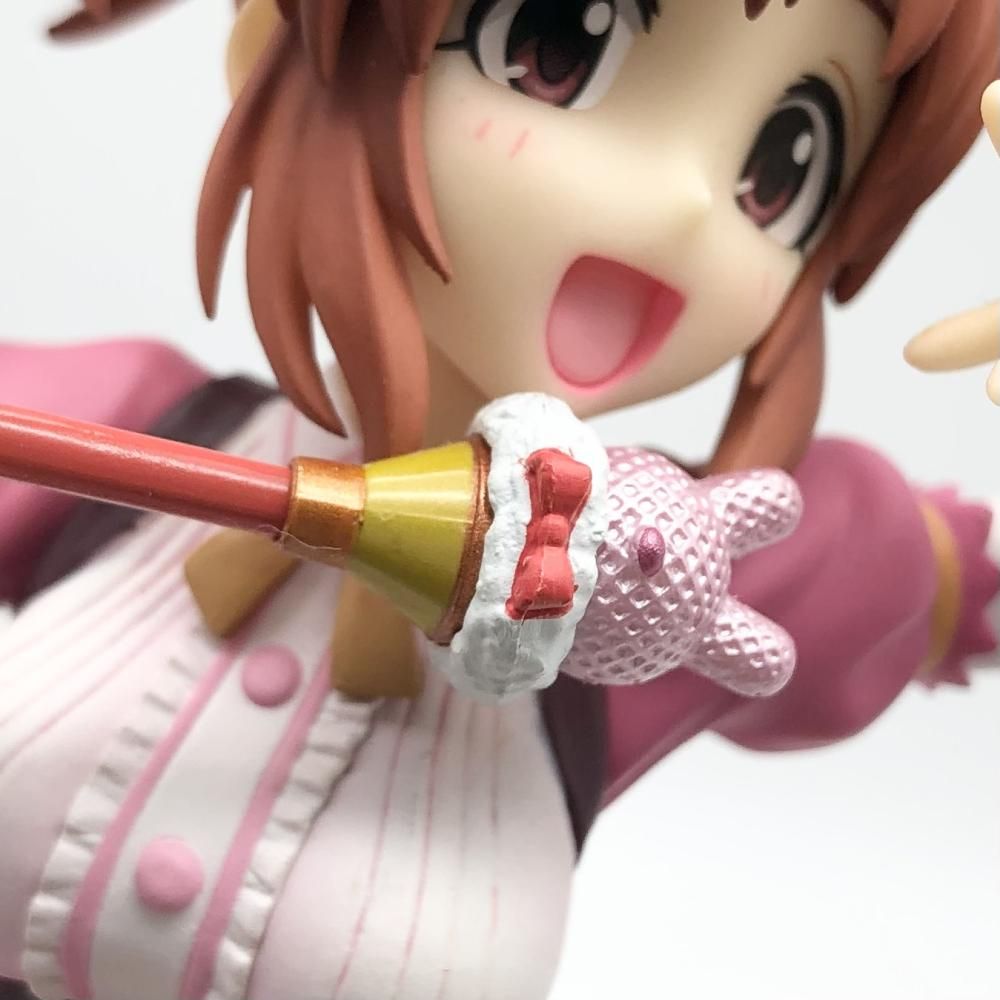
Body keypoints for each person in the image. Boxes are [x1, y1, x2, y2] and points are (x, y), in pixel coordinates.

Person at [1, 2, 998, 998]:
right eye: (553, 49)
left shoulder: (650, 581)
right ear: (279, 40)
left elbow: (923, 570)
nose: (689, 203)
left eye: (780, 172)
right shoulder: (135, 419)